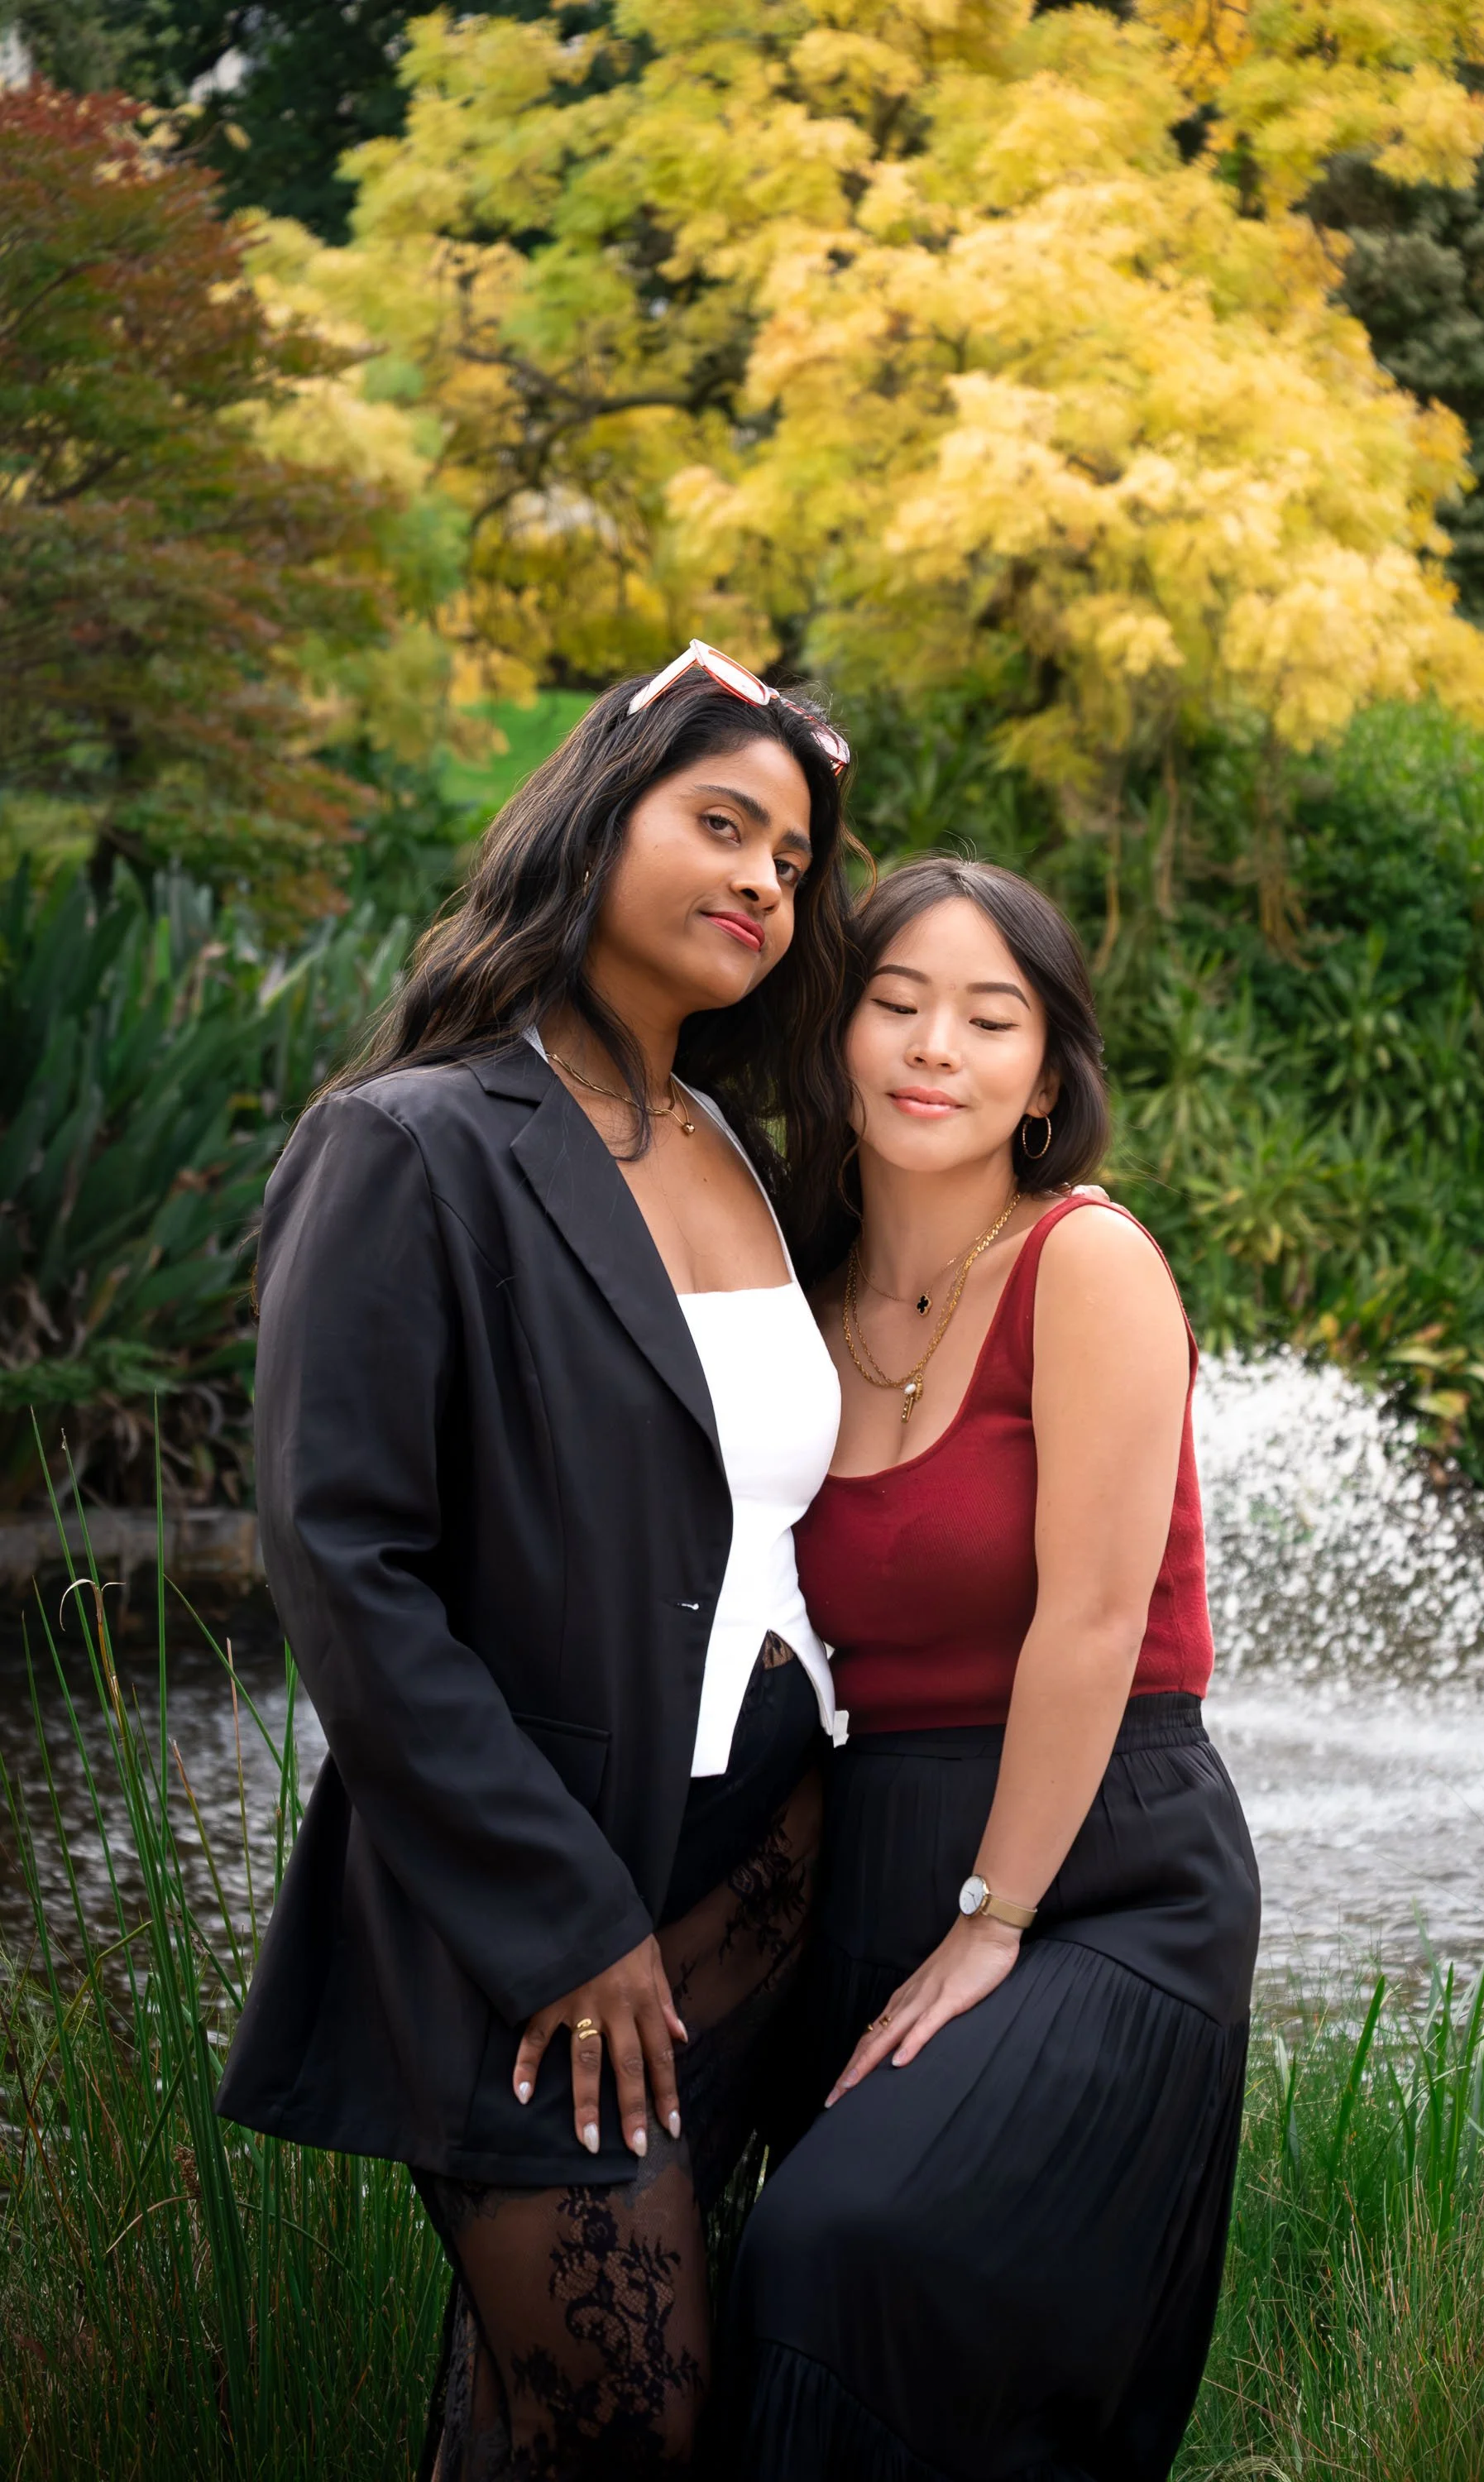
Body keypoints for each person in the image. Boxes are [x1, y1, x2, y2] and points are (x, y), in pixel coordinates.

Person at [215, 644, 863, 2478]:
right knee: (621, 2416)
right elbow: (345, 1563)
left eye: (793, 859)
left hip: (768, 1869)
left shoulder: (737, 1145)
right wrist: (559, 1920)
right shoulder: (412, 1141)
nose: (761, 879)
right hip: (536, 1913)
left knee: (540, 2419)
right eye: (719, 826)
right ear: (598, 824)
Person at [726, 856, 1261, 2481]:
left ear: (1044, 1077)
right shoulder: (789, 1304)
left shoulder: (1085, 1262)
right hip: (873, 1852)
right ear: (832, 1036)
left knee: (833, 2244)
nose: (931, 1046)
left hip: (1100, 1877)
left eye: (986, 1015)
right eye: (892, 1004)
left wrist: (995, 1922)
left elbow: (1093, 1621)